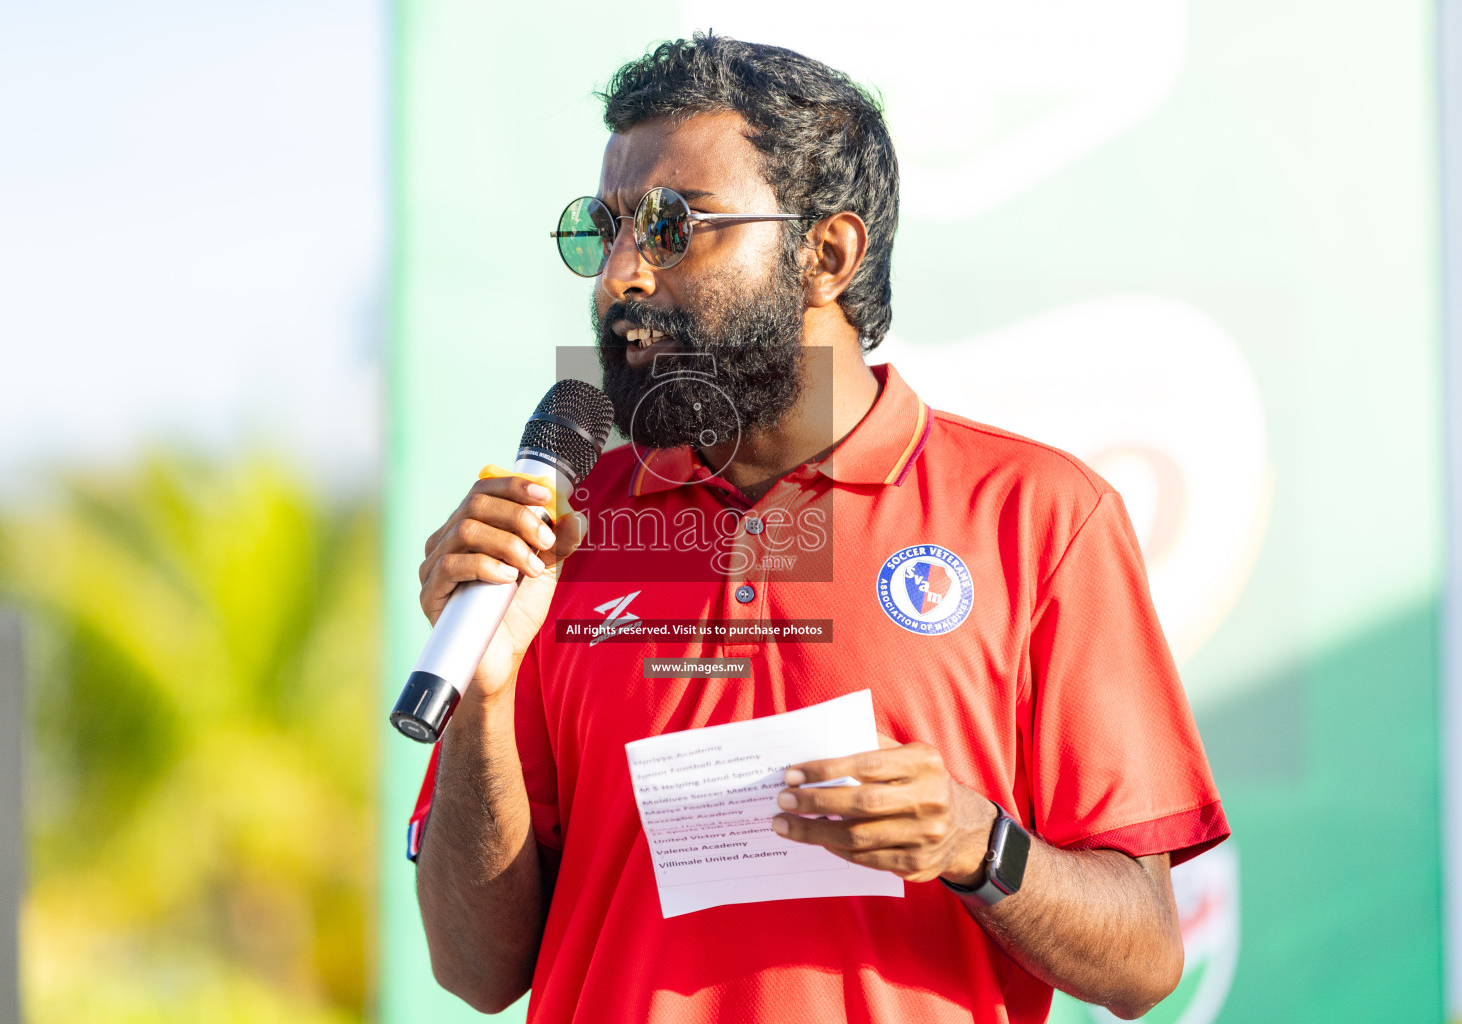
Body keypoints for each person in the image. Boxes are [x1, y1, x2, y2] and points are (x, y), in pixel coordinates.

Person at [408, 34, 1228, 1024]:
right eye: (605, 228)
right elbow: (474, 971)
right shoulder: (558, 538)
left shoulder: (1040, 516)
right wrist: (484, 700)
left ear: (827, 253)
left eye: (672, 226)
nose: (623, 273)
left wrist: (975, 844)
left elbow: (1143, 961)